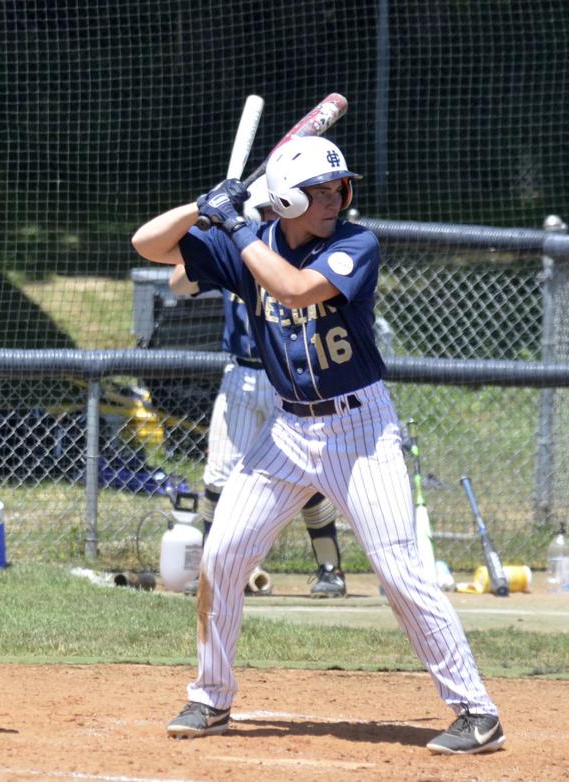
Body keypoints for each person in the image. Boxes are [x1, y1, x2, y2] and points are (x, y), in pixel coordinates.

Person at [131, 136, 504, 754]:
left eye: (339, 188)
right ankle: (210, 697)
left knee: (399, 571)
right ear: (284, 197)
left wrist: (239, 229)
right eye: (320, 190)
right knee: (222, 556)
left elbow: (296, 291)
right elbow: (149, 245)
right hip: (286, 430)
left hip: (361, 430)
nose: (335, 198)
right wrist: (206, 207)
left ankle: (477, 712)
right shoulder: (247, 242)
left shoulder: (355, 243)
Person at [171, 179, 345, 599]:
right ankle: (214, 567)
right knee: (218, 476)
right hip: (240, 377)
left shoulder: (307, 257)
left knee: (309, 481)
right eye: (265, 212)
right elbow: (179, 283)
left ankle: (329, 570)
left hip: (288, 378)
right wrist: (211, 226)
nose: (271, 219)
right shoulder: (240, 252)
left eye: (276, 211)